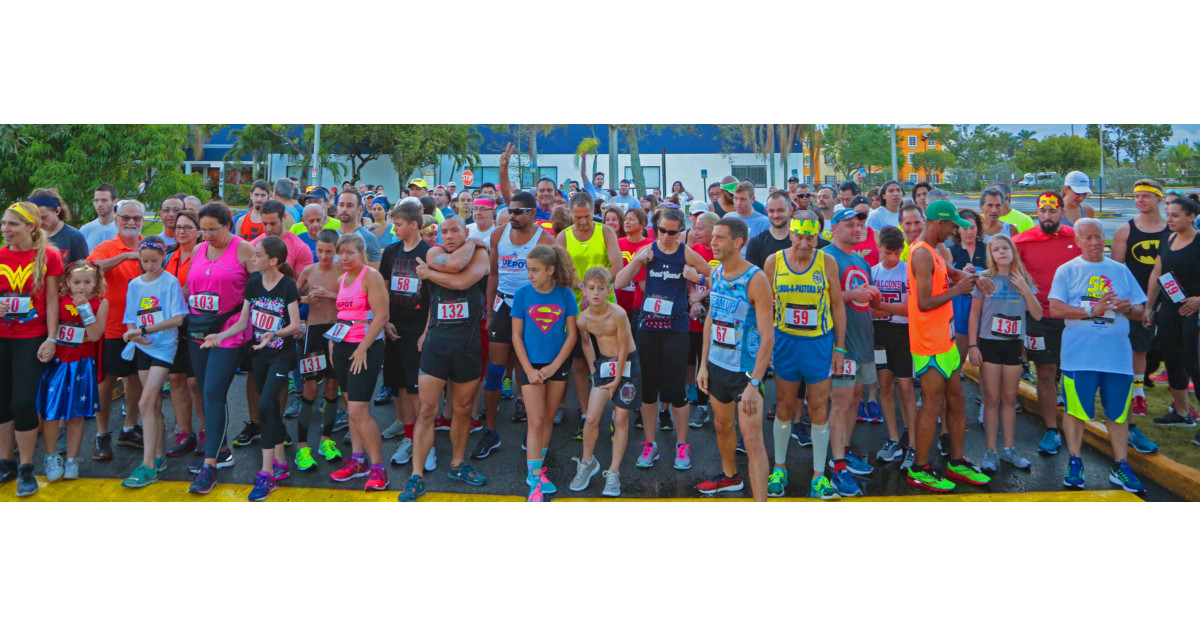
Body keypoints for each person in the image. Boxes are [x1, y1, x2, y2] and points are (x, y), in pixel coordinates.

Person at [1048, 218, 1148, 493]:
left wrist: (1128, 309)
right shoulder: (1067, 271)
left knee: (1117, 414)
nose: (1094, 243)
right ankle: (1075, 461)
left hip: (1117, 357)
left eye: (1098, 237)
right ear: (1077, 241)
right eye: (1088, 237)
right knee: (1076, 411)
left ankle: (1121, 465)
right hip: (1079, 357)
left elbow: (1142, 312)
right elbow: (1055, 308)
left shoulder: (1121, 271)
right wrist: (1092, 311)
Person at [397, 216, 491, 501]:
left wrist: (429, 274)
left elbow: (463, 279)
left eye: (456, 231)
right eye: (444, 231)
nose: (448, 235)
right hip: (437, 344)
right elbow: (453, 268)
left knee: (461, 409)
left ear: (466, 232)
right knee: (427, 410)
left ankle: (458, 464)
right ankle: (416, 476)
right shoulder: (433, 252)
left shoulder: (481, 253)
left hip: (467, 345)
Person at [755, 210, 845, 498]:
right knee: (783, 405)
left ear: (818, 236)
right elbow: (764, 306)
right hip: (786, 343)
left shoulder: (827, 261)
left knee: (819, 407)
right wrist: (764, 345)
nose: (805, 243)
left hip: (818, 344)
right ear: (790, 234)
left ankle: (819, 475)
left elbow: (838, 306)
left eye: (811, 237)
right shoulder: (774, 262)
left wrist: (840, 348)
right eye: (800, 237)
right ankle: (779, 467)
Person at [615, 208, 712, 471]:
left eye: (673, 232)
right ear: (655, 228)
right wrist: (637, 261)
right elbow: (618, 282)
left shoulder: (685, 252)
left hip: (676, 329)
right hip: (648, 328)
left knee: (676, 390)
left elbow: (717, 279)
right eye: (662, 231)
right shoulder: (647, 251)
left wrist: (698, 280)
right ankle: (650, 444)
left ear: (680, 232)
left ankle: (682, 445)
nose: (667, 236)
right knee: (648, 391)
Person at [906, 199, 990, 492]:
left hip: (946, 341)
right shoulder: (921, 255)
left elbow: (952, 273)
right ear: (938, 223)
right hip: (929, 343)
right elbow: (925, 302)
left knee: (956, 401)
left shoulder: (934, 252)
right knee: (932, 405)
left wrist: (971, 278)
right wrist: (958, 290)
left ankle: (956, 461)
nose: (955, 232)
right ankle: (919, 468)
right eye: (952, 226)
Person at [691, 215, 775, 500]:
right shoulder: (716, 274)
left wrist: (754, 382)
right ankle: (730, 478)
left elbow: (768, 336)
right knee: (721, 425)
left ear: (738, 243)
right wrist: (703, 365)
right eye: (712, 236)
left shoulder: (756, 279)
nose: (711, 242)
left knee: (752, 441)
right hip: (717, 366)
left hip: (745, 372)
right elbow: (711, 320)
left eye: (719, 238)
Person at [218, 236, 303, 500]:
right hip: (258, 355)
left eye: (257, 255)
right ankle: (280, 463)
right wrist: (219, 337)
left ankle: (266, 474)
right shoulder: (254, 283)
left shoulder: (287, 286)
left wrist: (274, 333)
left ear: (273, 260)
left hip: (281, 355)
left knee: (266, 406)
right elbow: (244, 322)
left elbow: (296, 325)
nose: (251, 260)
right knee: (270, 410)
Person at [184, 203, 255, 494]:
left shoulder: (245, 250)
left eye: (214, 229)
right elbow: (193, 288)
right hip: (200, 329)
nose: (208, 235)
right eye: (204, 229)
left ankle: (210, 464)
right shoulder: (200, 250)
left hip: (230, 332)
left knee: (213, 391)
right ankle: (221, 449)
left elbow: (260, 289)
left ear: (228, 225)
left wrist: (243, 321)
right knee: (205, 391)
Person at [482, 191, 557, 451]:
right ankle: (489, 429)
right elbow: (493, 274)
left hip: (532, 310)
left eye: (517, 212)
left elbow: (556, 279)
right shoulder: (497, 235)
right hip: (503, 305)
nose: (512, 215)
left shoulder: (546, 240)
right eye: (509, 210)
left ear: (532, 213)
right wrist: (490, 312)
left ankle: (532, 430)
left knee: (531, 372)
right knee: (495, 370)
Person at [0, 202, 63, 496]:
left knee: (23, 401)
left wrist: (52, 338)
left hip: (31, 338)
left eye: (12, 224)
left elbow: (52, 300)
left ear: (31, 227)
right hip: (2, 337)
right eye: (3, 223)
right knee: (1, 401)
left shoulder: (49, 255)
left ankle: (26, 466)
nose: (5, 229)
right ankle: (6, 462)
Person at [319, 234, 389, 491]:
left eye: (349, 252)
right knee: (350, 407)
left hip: (366, 348)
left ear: (361, 253)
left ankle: (379, 467)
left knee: (359, 409)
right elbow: (344, 314)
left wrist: (362, 348)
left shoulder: (371, 276)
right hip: (342, 346)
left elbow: (381, 316)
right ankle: (358, 461)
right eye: (341, 253)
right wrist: (332, 341)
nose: (344, 257)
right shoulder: (341, 279)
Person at [509, 246, 578, 501]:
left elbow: (571, 334)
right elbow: (516, 335)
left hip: (556, 365)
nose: (530, 275)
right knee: (535, 421)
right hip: (531, 365)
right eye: (528, 269)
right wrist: (529, 369)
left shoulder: (565, 295)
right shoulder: (522, 295)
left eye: (535, 270)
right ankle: (535, 479)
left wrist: (554, 366)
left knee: (548, 419)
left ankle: (539, 466)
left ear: (550, 270)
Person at [821, 205, 882, 496]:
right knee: (841, 402)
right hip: (841, 344)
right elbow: (819, 297)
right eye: (849, 224)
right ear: (834, 228)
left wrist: (870, 296)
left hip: (862, 341)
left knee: (855, 399)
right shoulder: (826, 257)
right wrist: (853, 294)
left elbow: (864, 301)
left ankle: (843, 450)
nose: (857, 228)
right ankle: (838, 466)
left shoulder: (861, 261)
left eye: (861, 224)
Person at [1014, 192, 1080, 455]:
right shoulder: (1022, 241)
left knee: (1073, 374)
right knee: (1045, 372)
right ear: (1036, 213)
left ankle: (1075, 424)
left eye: (1053, 211)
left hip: (1074, 318)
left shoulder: (1075, 238)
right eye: (1043, 211)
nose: (1048, 216)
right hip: (1039, 318)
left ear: (1062, 212)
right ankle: (1051, 429)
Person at [118, 236, 187, 488]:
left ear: (164, 258)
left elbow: (177, 318)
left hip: (164, 348)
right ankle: (158, 456)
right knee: (153, 404)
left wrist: (144, 329)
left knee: (145, 402)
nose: (149, 265)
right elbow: (129, 317)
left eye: (154, 261)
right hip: (144, 347)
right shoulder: (135, 284)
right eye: (144, 261)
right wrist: (133, 332)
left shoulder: (170, 281)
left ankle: (147, 466)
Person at [967, 234, 1040, 471]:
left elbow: (1037, 314)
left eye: (1005, 247)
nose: (1001, 252)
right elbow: (974, 315)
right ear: (991, 255)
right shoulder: (986, 279)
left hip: (1012, 346)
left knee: (1009, 399)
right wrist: (973, 346)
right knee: (991, 399)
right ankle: (990, 451)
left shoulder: (1022, 278)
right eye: (996, 249)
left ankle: (1009, 449)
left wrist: (1024, 289)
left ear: (1012, 251)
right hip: (989, 344)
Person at [557, 192, 623, 439]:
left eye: (586, 216)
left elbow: (616, 266)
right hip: (575, 308)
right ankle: (585, 415)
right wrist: (583, 289)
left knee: (613, 360)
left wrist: (594, 290)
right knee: (580, 364)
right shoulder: (563, 237)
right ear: (570, 214)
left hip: (606, 307)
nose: (583, 222)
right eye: (577, 217)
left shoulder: (604, 231)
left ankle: (618, 414)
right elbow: (561, 272)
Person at [570, 267, 640, 496]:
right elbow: (587, 343)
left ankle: (614, 471)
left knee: (620, 418)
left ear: (608, 289)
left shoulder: (618, 314)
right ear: (584, 290)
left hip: (627, 363)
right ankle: (587, 462)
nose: (596, 293)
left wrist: (617, 379)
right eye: (591, 288)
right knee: (591, 418)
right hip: (604, 364)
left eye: (601, 288)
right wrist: (593, 371)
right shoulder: (583, 319)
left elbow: (623, 348)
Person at [1111, 178, 1173, 434]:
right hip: (1137, 299)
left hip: (1170, 299)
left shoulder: (1172, 229)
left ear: (1159, 199)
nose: (1140, 201)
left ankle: (1179, 403)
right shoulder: (1125, 230)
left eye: (1146, 196)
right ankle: (1138, 393)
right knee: (1138, 348)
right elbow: (1115, 270)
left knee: (1174, 349)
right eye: (1137, 197)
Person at [86, 200, 147, 460]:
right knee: (106, 382)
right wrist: (125, 255)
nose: (131, 222)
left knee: (135, 379)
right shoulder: (107, 247)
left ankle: (129, 428)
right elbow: (90, 270)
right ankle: (102, 434)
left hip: (141, 329)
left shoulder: (149, 244)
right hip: (111, 327)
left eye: (136, 218)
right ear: (116, 220)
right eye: (125, 218)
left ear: (143, 220)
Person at [37, 260, 106, 483]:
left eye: (87, 282)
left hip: (82, 362)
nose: (81, 287)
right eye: (76, 282)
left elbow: (95, 335)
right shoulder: (59, 298)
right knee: (51, 412)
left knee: (76, 414)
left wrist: (85, 307)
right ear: (67, 281)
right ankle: (51, 456)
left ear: (96, 282)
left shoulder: (100, 302)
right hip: (57, 362)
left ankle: (72, 460)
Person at [377, 200, 434, 467]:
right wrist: (385, 321)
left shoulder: (429, 252)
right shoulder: (390, 252)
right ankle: (409, 436)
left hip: (418, 331)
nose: (394, 229)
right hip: (394, 329)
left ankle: (426, 443)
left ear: (414, 225)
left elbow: (436, 298)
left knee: (417, 390)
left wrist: (426, 332)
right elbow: (384, 290)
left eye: (398, 225)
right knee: (398, 386)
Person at [1144, 194, 1200, 429]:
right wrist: (1148, 306)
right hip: (1169, 309)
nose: (1170, 219)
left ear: (1192, 217)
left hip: (1194, 312)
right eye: (1169, 215)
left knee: (1195, 363)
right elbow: (1157, 273)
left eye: (1176, 215)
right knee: (1172, 357)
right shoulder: (1166, 240)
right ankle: (1181, 412)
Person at [294, 229, 346, 471]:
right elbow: (291, 296)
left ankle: (326, 439)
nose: (324, 256)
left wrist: (330, 294)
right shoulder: (308, 270)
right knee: (311, 386)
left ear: (337, 250)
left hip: (336, 333)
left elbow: (354, 297)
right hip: (313, 332)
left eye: (329, 251)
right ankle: (302, 446)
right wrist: (304, 300)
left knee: (332, 385)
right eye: (320, 251)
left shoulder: (343, 272)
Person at [870, 226, 917, 465]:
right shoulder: (872, 273)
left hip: (903, 334)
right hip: (880, 336)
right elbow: (869, 310)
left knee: (906, 388)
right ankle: (893, 438)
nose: (891, 258)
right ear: (879, 248)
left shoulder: (908, 272)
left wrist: (882, 309)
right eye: (887, 253)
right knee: (885, 386)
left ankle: (914, 441)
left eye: (896, 253)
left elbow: (909, 309)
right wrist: (880, 311)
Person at [162, 210, 203, 457]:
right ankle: (184, 432)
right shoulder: (169, 257)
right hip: (172, 324)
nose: (182, 231)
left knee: (195, 382)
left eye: (188, 227)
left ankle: (208, 431)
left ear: (198, 231)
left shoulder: (204, 255)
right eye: (179, 227)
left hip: (197, 322)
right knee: (176, 379)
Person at [685, 211, 718, 428]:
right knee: (694, 355)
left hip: (716, 313)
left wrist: (701, 295)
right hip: (694, 311)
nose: (695, 233)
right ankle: (700, 403)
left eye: (699, 229)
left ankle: (712, 404)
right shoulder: (694, 250)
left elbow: (723, 280)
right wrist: (693, 298)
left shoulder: (721, 250)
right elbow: (688, 275)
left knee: (710, 360)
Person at [949, 208, 987, 367]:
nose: (969, 232)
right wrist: (960, 276)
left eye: (972, 228)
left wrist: (983, 274)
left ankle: (985, 392)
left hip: (984, 308)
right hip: (960, 309)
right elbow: (945, 283)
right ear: (957, 229)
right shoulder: (951, 251)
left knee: (985, 360)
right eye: (965, 228)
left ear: (978, 228)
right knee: (957, 360)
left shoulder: (987, 249)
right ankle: (955, 391)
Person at [30, 189, 88, 264]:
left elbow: (84, 270)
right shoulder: (30, 237)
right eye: (35, 218)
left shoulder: (74, 237)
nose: (40, 222)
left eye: (44, 217)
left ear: (57, 211)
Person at [335, 189, 383, 268]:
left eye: (349, 205)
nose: (344, 209)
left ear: (359, 209)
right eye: (341, 205)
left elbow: (375, 275)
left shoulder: (368, 238)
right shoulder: (332, 237)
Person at [729, 181, 770, 249]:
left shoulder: (765, 223)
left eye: (743, 199)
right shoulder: (728, 218)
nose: (738, 203)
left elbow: (767, 250)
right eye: (736, 198)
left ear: (753, 199)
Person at [80, 184, 119, 250]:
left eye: (104, 200)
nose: (99, 204)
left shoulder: (125, 228)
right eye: (96, 200)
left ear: (115, 202)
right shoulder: (85, 230)